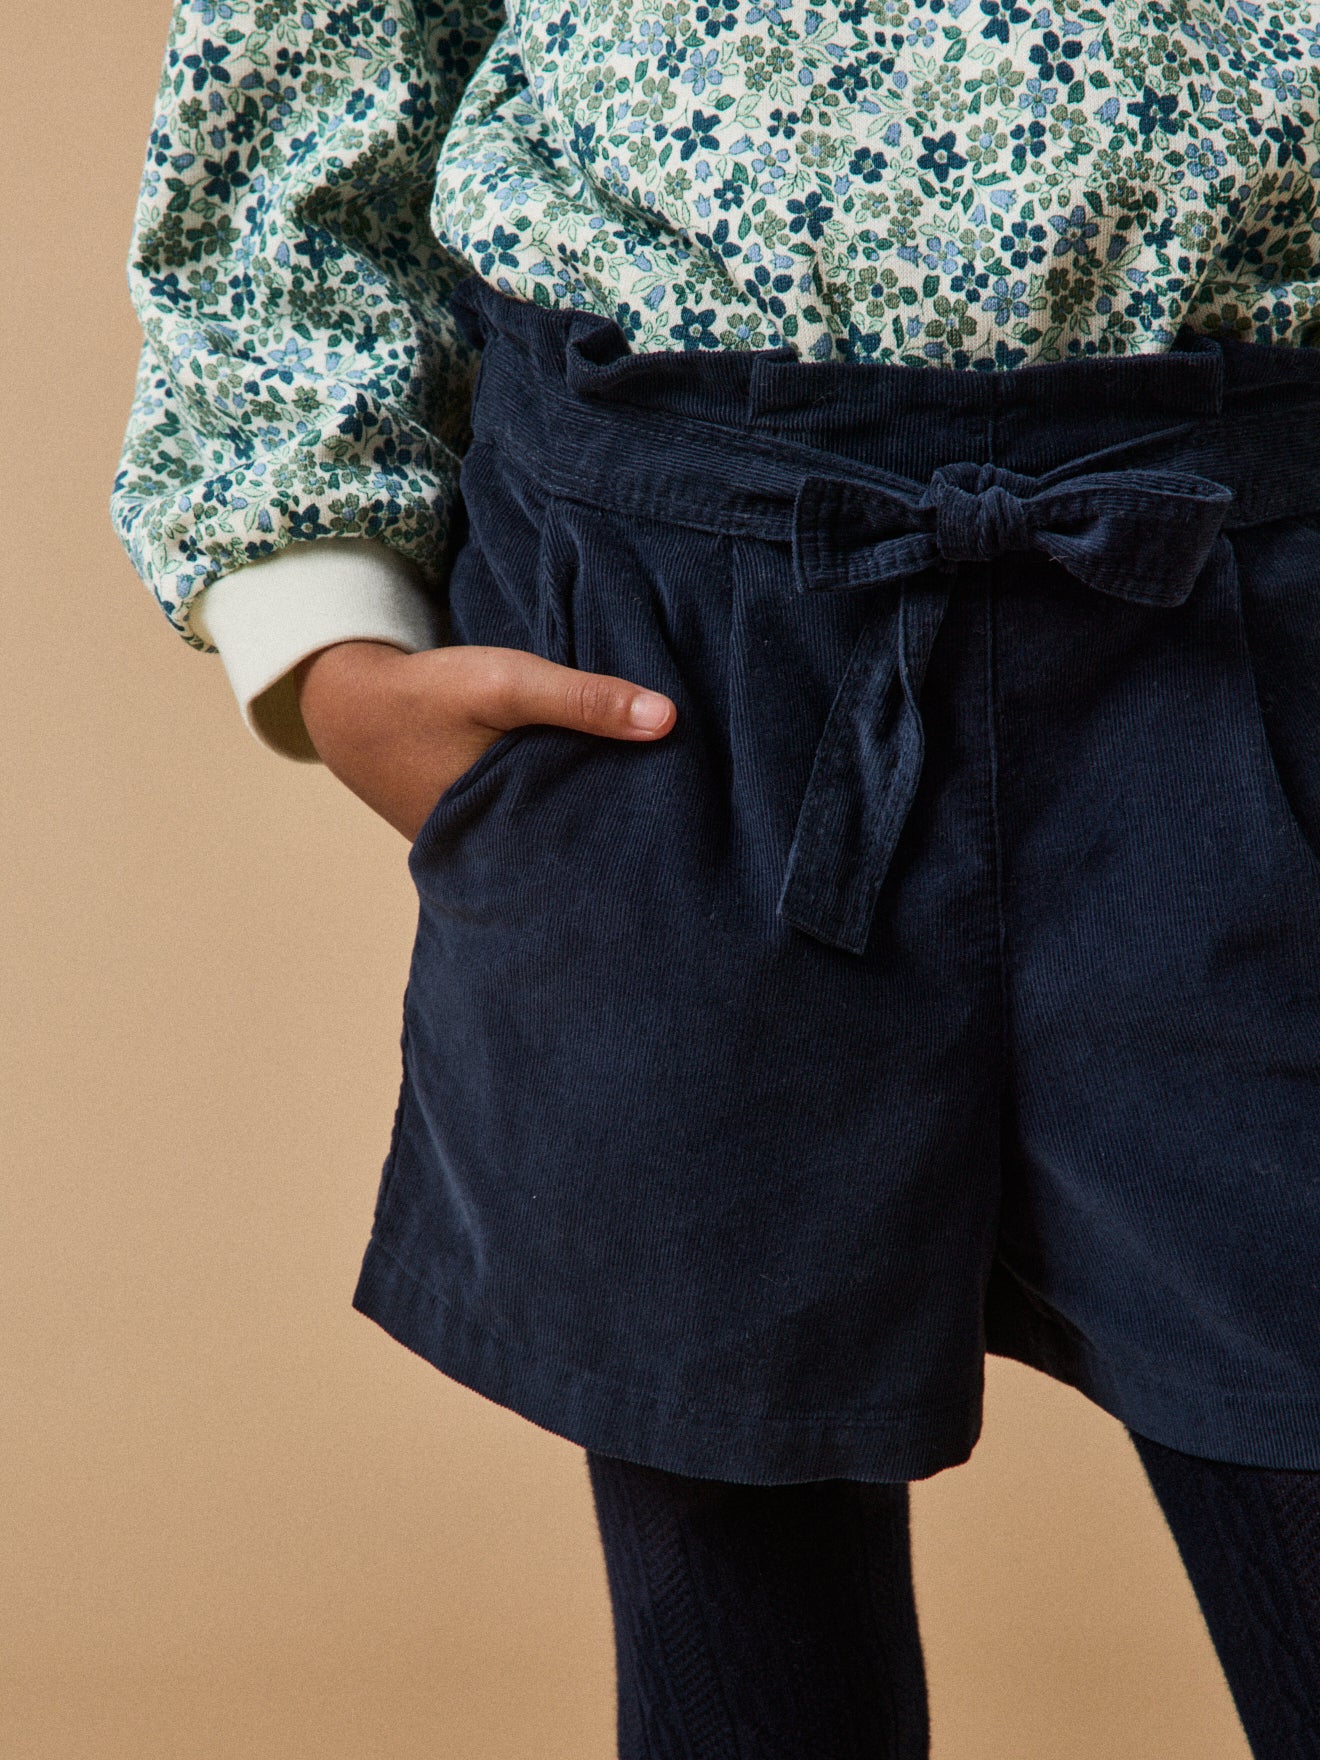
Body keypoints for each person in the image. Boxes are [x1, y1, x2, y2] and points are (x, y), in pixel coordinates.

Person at [112, 2, 1320, 1753]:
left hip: (1256, 585)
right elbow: (309, 47)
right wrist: (317, 616)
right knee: (739, 1636)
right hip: (675, 635)